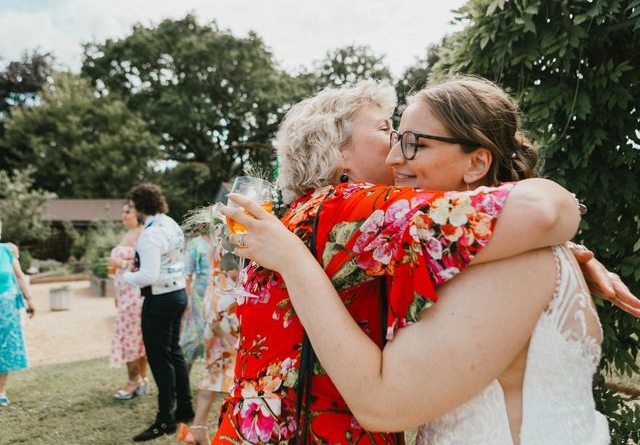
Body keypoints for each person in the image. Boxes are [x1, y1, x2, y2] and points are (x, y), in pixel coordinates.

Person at [224, 77, 630, 443]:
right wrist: (560, 223)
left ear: (477, 161)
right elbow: (540, 211)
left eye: (409, 140)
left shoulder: (304, 219)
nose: (396, 155)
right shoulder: (349, 208)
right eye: (389, 132)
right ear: (339, 154)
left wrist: (555, 251)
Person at [123, 183, 193, 442]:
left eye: (132, 207)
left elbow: (148, 275)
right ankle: (185, 409)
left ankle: (165, 419)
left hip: (159, 299)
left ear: (141, 206)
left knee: (160, 358)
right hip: (177, 294)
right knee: (174, 353)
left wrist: (127, 275)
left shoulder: (150, 235)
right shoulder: (171, 224)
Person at [178, 206, 240, 445]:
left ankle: (198, 429)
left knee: (214, 369)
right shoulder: (233, 241)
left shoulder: (214, 240)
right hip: (228, 308)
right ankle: (226, 431)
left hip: (212, 305)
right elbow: (235, 274)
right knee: (235, 372)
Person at [108, 202, 149, 399]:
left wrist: (122, 263)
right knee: (136, 338)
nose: (123, 215)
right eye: (123, 211)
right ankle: (141, 379)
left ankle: (133, 382)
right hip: (124, 294)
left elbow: (145, 263)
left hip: (135, 295)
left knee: (131, 339)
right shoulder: (128, 235)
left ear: (138, 213)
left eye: (128, 212)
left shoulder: (143, 234)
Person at [0, 221, 36, 407]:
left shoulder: (6, 250)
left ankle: (1, 391)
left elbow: (20, 275)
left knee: (4, 347)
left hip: (6, 307)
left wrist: (29, 299)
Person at [180, 228, 211, 369]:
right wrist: (185, 299)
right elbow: (187, 274)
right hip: (198, 296)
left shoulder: (223, 241)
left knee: (215, 335)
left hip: (218, 295)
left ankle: (213, 380)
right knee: (193, 335)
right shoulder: (195, 244)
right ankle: (184, 375)